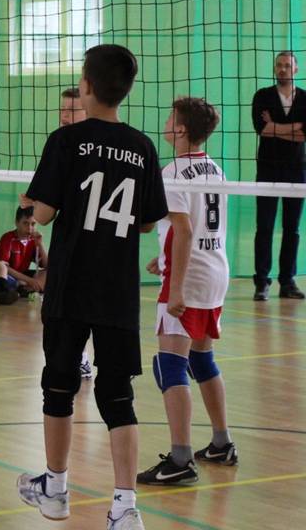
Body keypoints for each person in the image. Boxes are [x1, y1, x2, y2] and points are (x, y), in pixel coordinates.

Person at [16, 44, 168, 530]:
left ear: (85, 86)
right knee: (118, 395)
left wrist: (32, 202)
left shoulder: (66, 140)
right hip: (117, 289)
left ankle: (57, 490)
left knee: (59, 386)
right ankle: (125, 507)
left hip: (70, 283)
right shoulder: (143, 147)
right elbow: (148, 222)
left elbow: (42, 215)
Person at [137, 97, 237, 487]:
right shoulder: (215, 167)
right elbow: (198, 227)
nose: (166, 122)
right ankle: (221, 443)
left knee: (170, 365)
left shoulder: (173, 172)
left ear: (180, 128)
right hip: (214, 272)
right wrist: (162, 259)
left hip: (189, 278)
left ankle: (180, 459)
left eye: (170, 117)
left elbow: (184, 229)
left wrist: (175, 287)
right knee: (201, 360)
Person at [251, 51, 306, 300]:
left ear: (296, 70)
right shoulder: (262, 96)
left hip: (297, 169)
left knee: (292, 228)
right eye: (279, 65)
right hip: (268, 168)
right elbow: (261, 129)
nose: (283, 69)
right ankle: (262, 282)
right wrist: (295, 127)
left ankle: (288, 282)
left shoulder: (305, 98)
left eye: (287, 65)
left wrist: (275, 126)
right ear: (275, 68)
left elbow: (305, 134)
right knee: (264, 226)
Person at [59, 86, 93, 379]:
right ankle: (79, 358)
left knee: (84, 307)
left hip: (93, 242)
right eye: (62, 110)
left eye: (72, 110)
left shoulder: (87, 147)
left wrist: (39, 203)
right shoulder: (61, 144)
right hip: (71, 240)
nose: (64, 116)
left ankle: (82, 359)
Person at [0, 205, 47, 300]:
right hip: (6, 275)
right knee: (6, 278)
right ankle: (23, 288)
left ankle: (23, 289)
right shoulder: (8, 238)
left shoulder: (33, 240)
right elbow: (4, 267)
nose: (29, 228)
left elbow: (46, 265)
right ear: (17, 223)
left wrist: (40, 245)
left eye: (33, 224)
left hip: (22, 275)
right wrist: (29, 280)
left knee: (48, 273)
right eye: (25, 223)